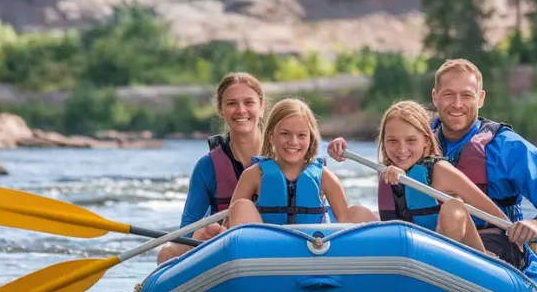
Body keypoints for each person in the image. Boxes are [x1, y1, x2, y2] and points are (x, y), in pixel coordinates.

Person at [330, 59, 537, 269]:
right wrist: (342, 146)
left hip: (492, 246)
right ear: (435, 97)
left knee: (454, 211)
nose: (457, 104)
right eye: (449, 95)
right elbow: (388, 149)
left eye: (466, 95)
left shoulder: (505, 146)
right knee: (357, 215)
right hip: (424, 244)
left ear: (480, 99)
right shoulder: (412, 140)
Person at [329, 100, 509, 255]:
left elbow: (494, 214)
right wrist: (339, 148)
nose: (401, 150)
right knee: (356, 213)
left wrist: (519, 238)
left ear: (426, 141)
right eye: (392, 141)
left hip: (459, 257)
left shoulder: (440, 170)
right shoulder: (387, 173)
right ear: (383, 142)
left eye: (411, 140)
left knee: (454, 210)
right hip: (412, 256)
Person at [157, 73, 264, 264]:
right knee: (165, 252)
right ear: (221, 111)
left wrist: (336, 148)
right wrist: (200, 236)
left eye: (249, 102)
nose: (241, 110)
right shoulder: (207, 167)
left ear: (261, 107)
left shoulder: (286, 153)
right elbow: (186, 232)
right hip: (224, 250)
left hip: (277, 247)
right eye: (231, 104)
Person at [227, 98, 378, 228]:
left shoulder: (325, 177)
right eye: (285, 134)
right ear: (271, 137)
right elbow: (228, 222)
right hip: (267, 253)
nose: (293, 142)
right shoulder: (253, 175)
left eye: (301, 135)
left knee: (357, 212)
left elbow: (345, 219)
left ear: (310, 139)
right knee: (241, 206)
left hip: (313, 250)